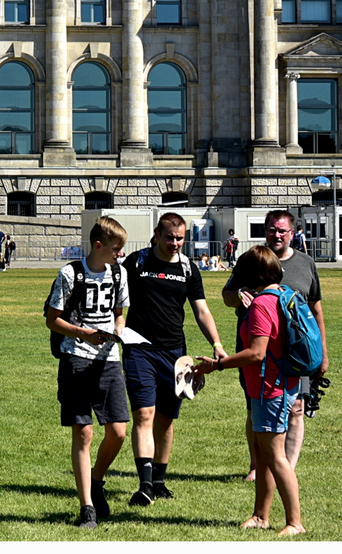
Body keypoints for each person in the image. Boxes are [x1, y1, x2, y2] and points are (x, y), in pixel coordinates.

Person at [194, 245, 305, 536]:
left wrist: (218, 365)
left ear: (252, 274)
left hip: (271, 389)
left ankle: (295, 522)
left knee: (276, 457)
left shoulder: (261, 305)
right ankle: (260, 516)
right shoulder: (282, 295)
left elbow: (256, 353)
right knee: (264, 453)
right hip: (274, 386)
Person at [120, 212, 227, 507]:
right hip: (139, 349)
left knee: (166, 420)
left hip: (174, 353)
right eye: (170, 237)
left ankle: (159, 481)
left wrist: (216, 343)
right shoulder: (137, 262)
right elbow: (116, 297)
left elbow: (202, 311)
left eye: (180, 238)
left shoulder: (188, 268)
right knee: (144, 414)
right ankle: (144, 485)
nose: (175, 243)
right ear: (157, 233)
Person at [222, 209, 326, 482]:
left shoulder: (305, 264)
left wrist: (322, 352)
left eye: (282, 230)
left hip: (295, 350)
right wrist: (240, 295)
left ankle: (286, 469)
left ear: (293, 233)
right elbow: (227, 295)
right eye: (271, 229)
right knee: (255, 408)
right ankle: (257, 466)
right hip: (256, 350)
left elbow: (316, 310)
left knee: (297, 408)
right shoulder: (252, 259)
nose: (276, 235)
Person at [45, 216, 132, 529]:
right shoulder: (71, 274)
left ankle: (96, 480)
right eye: (115, 249)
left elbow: (119, 313)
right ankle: (87, 509)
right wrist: (82, 333)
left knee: (119, 430)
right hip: (76, 359)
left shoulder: (119, 273)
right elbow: (52, 319)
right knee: (83, 432)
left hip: (109, 360)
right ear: (99, 245)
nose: (119, 255)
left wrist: (119, 331)